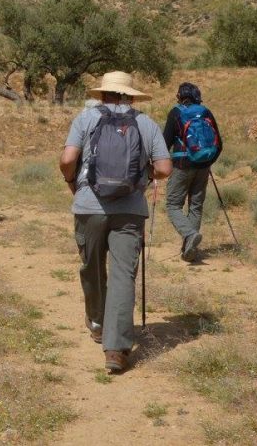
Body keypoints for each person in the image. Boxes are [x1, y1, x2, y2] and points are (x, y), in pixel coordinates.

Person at [59, 71, 172, 374]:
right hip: (130, 211)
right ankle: (116, 349)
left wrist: (71, 182)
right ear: (131, 96)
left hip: (89, 206)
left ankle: (97, 322)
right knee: (123, 275)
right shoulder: (145, 123)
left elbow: (68, 159)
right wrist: (146, 175)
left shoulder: (86, 119)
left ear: (103, 94)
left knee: (92, 267)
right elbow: (165, 167)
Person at [162, 82, 223, 263]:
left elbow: (164, 143)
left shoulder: (176, 112)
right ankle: (189, 249)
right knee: (196, 206)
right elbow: (219, 144)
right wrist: (207, 161)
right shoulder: (205, 112)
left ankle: (189, 235)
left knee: (173, 205)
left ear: (180, 96)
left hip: (181, 165)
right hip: (203, 166)